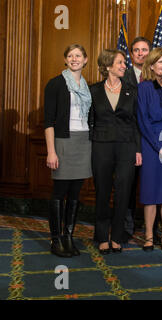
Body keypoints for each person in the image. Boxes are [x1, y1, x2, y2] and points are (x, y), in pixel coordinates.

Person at [89, 49, 142, 255]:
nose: (124, 66)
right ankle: (102, 236)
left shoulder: (131, 90)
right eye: (119, 63)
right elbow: (90, 121)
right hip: (101, 145)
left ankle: (117, 236)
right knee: (102, 191)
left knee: (123, 192)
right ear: (108, 66)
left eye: (123, 63)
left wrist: (138, 150)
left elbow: (136, 122)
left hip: (126, 146)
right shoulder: (93, 90)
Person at [44, 44, 92, 258]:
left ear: (85, 60)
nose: (74, 59)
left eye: (78, 56)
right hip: (63, 141)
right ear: (65, 59)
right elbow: (49, 121)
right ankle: (55, 239)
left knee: (75, 194)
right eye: (70, 56)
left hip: (84, 141)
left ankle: (68, 237)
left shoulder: (87, 86)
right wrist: (51, 151)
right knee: (59, 193)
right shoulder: (55, 84)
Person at [137, 48, 162, 252]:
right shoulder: (144, 88)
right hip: (151, 143)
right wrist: (158, 146)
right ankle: (149, 236)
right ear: (151, 65)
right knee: (150, 191)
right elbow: (142, 120)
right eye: (159, 61)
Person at [121, 37, 152, 243]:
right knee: (128, 186)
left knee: (152, 185)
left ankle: (152, 229)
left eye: (144, 50)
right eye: (136, 50)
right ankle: (126, 227)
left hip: (152, 141)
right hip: (130, 139)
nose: (140, 54)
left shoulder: (158, 74)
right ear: (131, 54)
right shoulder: (123, 75)